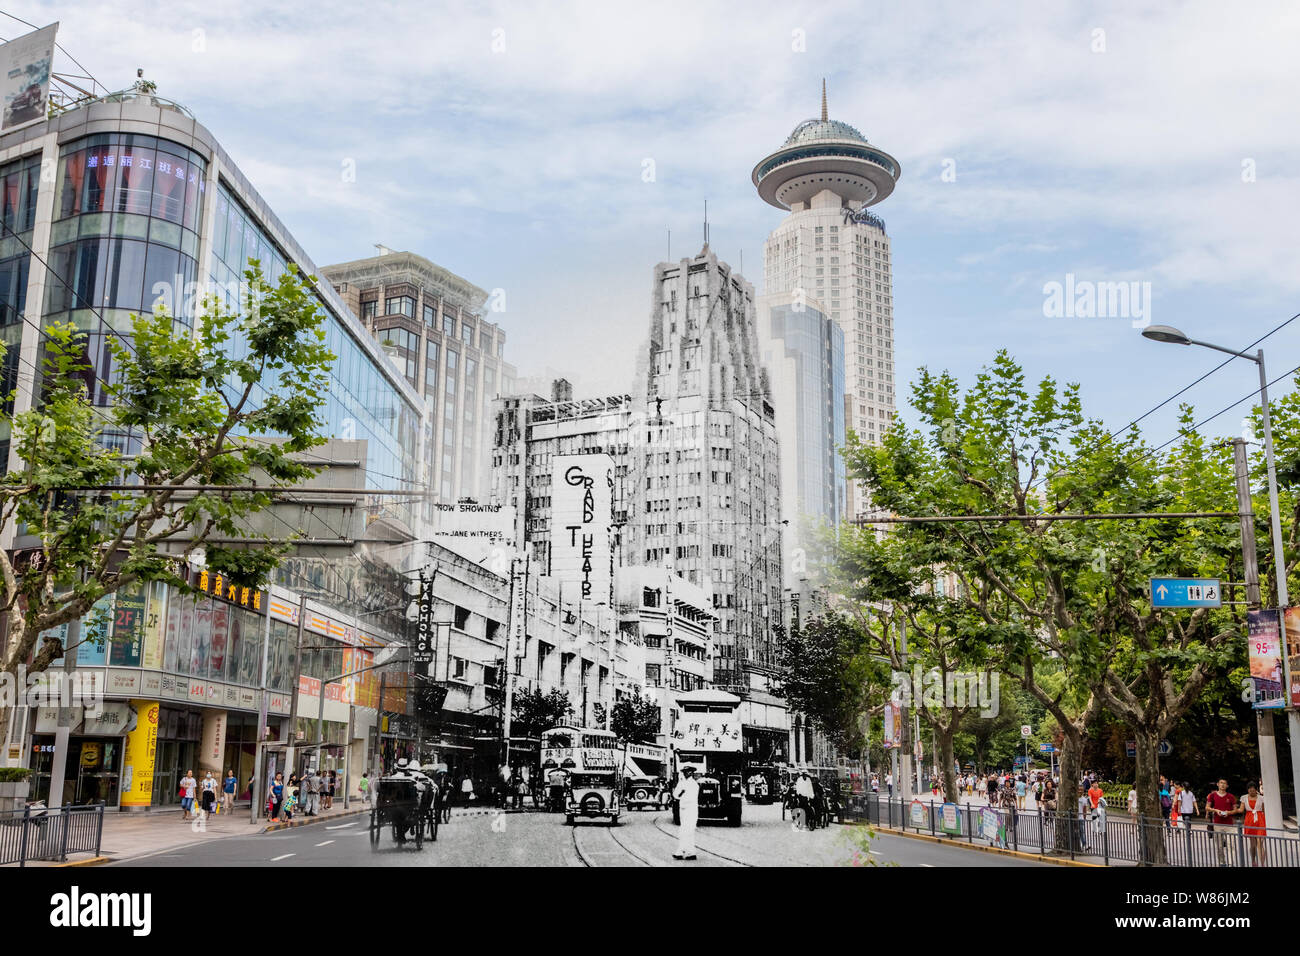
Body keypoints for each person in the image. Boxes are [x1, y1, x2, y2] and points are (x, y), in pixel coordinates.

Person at [1205, 779, 1239, 867]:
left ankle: (1231, 863)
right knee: (1219, 846)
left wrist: (1228, 812)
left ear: (1227, 786)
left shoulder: (1231, 796)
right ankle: (1222, 863)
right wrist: (1215, 810)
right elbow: (1207, 807)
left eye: (1224, 783)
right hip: (1217, 824)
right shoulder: (1212, 795)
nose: (1222, 785)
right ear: (1217, 784)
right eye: (1221, 783)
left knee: (1231, 845)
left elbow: (1235, 810)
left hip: (1229, 824)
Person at [672, 766, 699, 860]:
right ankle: (687, 852)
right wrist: (680, 794)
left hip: (691, 809)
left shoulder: (694, 784)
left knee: (689, 830)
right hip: (683, 809)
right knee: (683, 830)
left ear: (692, 773)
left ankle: (686, 852)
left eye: (689, 771)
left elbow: (690, 798)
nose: (687, 773)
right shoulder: (682, 782)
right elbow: (675, 794)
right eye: (685, 771)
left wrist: (681, 794)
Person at [1240, 783, 1267, 866]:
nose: (1251, 790)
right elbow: (1241, 810)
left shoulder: (1262, 798)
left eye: (1253, 788)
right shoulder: (1244, 797)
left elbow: (1264, 810)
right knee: (1253, 844)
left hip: (1260, 821)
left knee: (1260, 842)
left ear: (1256, 789)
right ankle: (1253, 860)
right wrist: (1229, 812)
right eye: (1249, 788)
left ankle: (1262, 864)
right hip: (1249, 821)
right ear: (1247, 789)